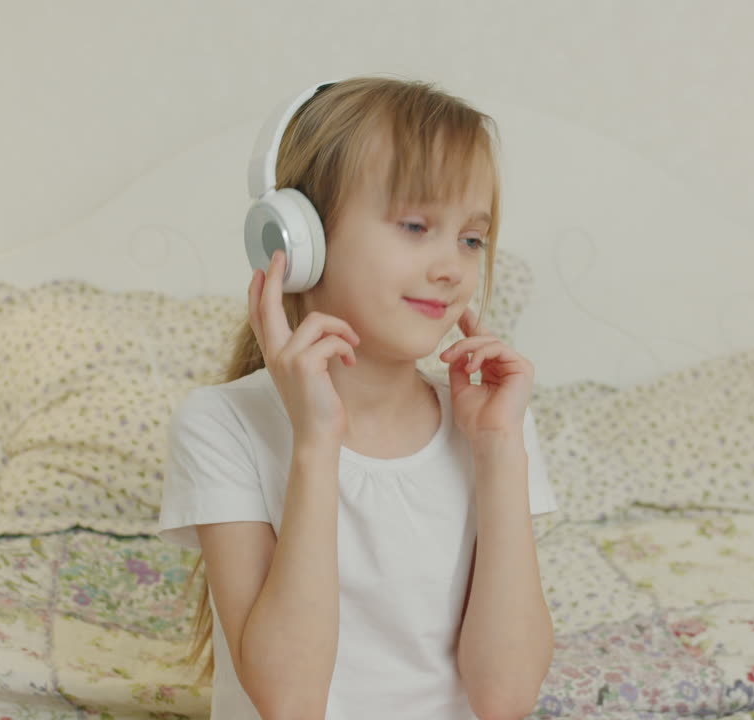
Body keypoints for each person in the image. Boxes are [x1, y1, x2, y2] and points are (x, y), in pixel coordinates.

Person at [157, 74, 558, 720]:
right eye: (416, 225)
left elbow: (505, 697)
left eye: (471, 239)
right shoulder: (221, 425)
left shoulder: (493, 424)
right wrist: (317, 444)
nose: (453, 267)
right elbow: (290, 701)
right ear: (298, 241)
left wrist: (499, 452)